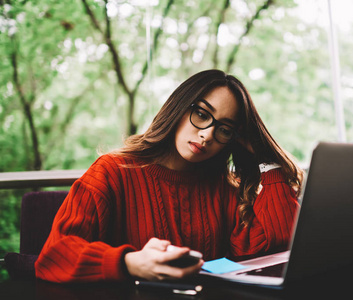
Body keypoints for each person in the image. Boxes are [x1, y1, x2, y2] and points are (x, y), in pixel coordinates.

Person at [35, 69, 303, 283]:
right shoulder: (112, 171)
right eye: (201, 114)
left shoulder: (222, 187)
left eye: (224, 129)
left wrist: (266, 159)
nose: (207, 134)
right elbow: (55, 255)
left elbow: (275, 248)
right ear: (179, 107)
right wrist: (129, 263)